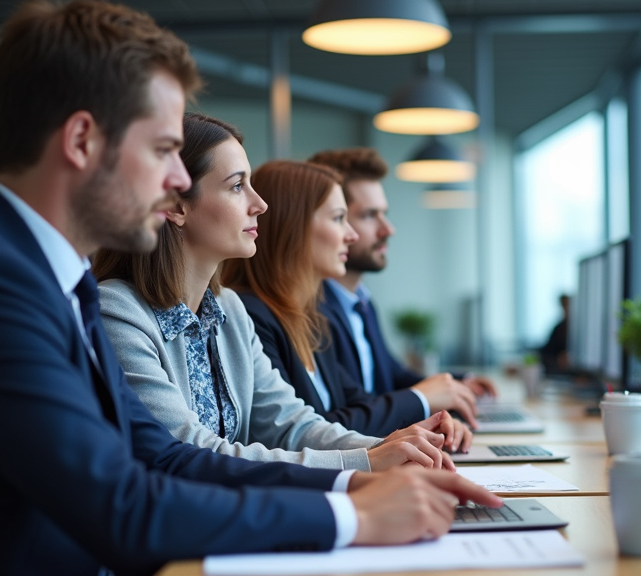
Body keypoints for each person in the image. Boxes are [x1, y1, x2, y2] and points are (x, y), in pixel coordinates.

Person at [0, 2, 499, 574]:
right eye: (164, 150)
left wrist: (357, 477)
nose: (174, 181)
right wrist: (355, 514)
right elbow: (123, 506)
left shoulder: (62, 283)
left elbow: (165, 457)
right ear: (83, 141)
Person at [93, 112, 461, 471]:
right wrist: (367, 461)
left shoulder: (229, 311)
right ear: (175, 205)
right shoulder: (118, 312)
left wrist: (394, 447)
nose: (260, 204)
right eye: (237, 186)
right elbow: (187, 450)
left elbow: (291, 426)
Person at [220, 160, 470, 449]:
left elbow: (360, 405)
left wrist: (433, 422)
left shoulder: (312, 320)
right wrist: (421, 400)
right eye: (339, 218)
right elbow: (312, 432)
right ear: (294, 228)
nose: (350, 236)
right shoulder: (250, 314)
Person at [308, 148, 497, 425]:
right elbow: (349, 411)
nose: (388, 229)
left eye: (384, 213)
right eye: (370, 215)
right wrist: (427, 398)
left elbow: (393, 377)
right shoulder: (310, 310)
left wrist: (456, 384)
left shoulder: (362, 303)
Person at [539, 293, 571, 372]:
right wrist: (558, 360)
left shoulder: (580, 329)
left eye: (568, 306)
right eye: (564, 306)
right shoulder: (559, 328)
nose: (566, 309)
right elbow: (545, 353)